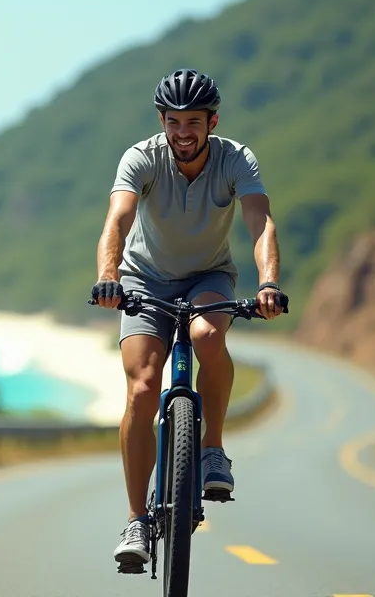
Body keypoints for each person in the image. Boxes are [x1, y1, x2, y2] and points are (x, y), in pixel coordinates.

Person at [91, 68, 286, 569]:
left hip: (208, 277)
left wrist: (267, 283)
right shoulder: (142, 157)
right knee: (142, 386)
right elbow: (118, 219)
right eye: (173, 122)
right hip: (143, 278)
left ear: (212, 122)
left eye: (193, 122)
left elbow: (259, 218)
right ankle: (136, 518)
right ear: (162, 122)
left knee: (206, 334)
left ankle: (212, 449)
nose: (183, 132)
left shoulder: (235, 159)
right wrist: (109, 275)